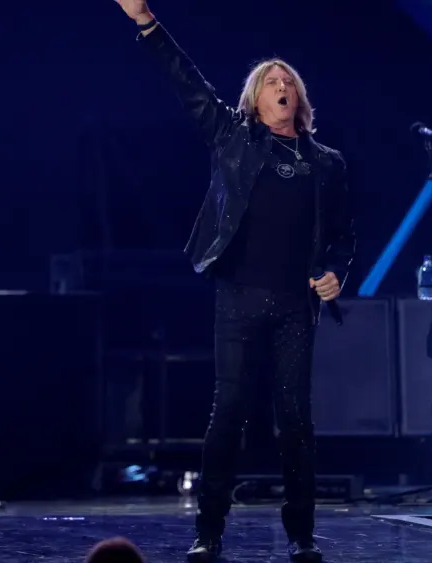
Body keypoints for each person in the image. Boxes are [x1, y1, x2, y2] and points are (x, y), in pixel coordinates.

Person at [111, 2, 355, 562]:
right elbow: (186, 81)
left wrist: (338, 272)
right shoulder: (232, 138)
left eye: (286, 79)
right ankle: (209, 531)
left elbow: (345, 234)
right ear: (255, 99)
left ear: (298, 97)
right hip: (239, 298)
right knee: (228, 416)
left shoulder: (328, 164)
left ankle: (301, 536)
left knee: (295, 422)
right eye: (270, 81)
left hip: (297, 306)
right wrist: (147, 20)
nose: (280, 84)